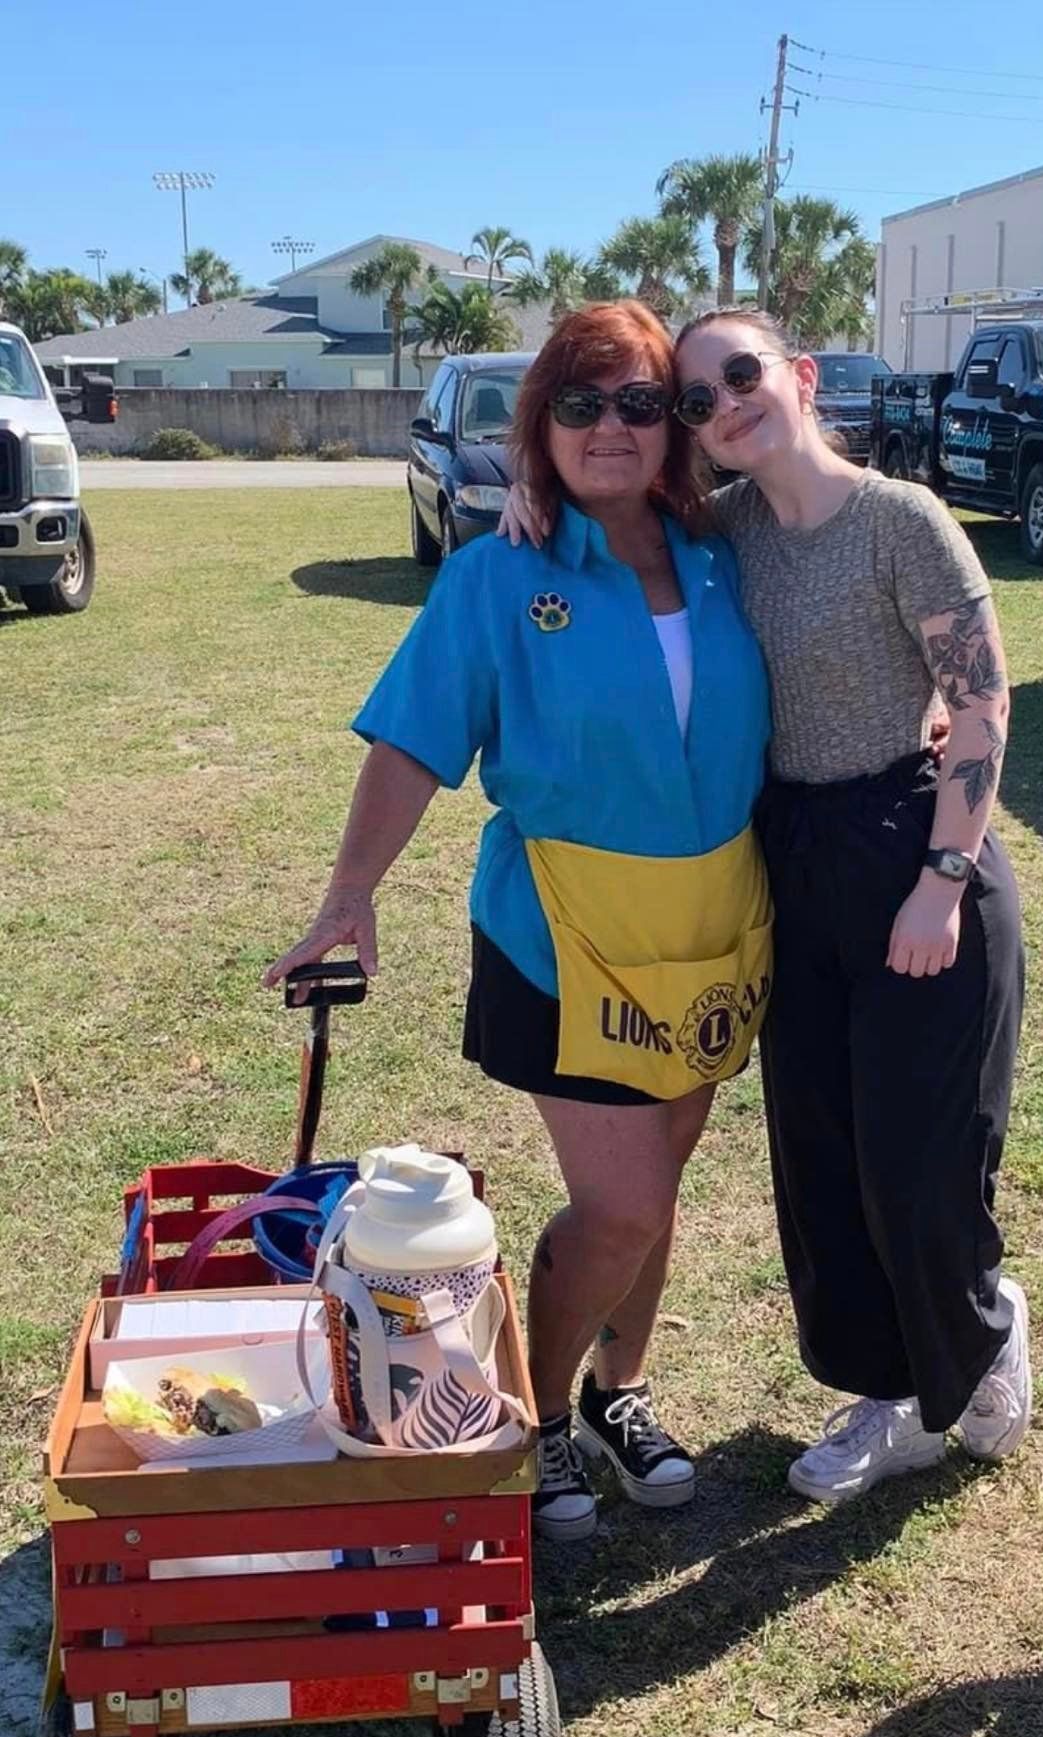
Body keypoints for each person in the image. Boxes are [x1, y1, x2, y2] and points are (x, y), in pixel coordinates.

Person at [502, 308, 1030, 1506]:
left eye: (738, 375)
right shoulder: (723, 533)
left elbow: (983, 706)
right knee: (823, 1157)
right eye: (692, 399)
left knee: (918, 1156)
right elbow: (606, 525)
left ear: (796, 374)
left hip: (913, 848)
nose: (720, 406)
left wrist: (942, 882)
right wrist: (523, 502)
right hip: (787, 859)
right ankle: (888, 1393)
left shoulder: (903, 521)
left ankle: (982, 1323)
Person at [264, 300, 773, 1542]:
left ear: (676, 427)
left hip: (712, 924)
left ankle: (616, 1391)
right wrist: (349, 893)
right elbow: (413, 739)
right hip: (563, 930)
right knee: (625, 1204)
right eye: (581, 402)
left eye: (641, 402)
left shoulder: (729, 556)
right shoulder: (501, 571)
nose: (612, 426)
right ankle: (539, 1418)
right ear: (540, 424)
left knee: (659, 1187)